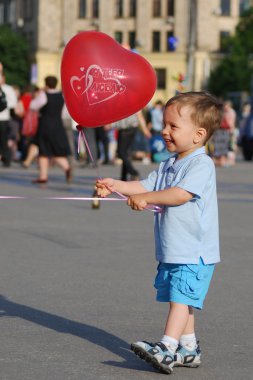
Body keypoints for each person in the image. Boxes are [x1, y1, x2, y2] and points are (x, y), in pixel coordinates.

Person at [96, 92, 222, 375]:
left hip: (194, 250)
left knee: (180, 299)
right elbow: (144, 184)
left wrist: (149, 198)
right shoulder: (170, 163)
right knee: (182, 297)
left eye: (173, 126)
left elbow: (179, 194)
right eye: (164, 124)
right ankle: (188, 349)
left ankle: (167, 347)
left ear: (198, 134)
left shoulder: (201, 164)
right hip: (175, 247)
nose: (163, 131)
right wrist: (115, 184)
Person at [30, 76, 72, 184]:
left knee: (43, 151)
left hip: (45, 125)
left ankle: (43, 176)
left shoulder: (44, 95)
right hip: (58, 125)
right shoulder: (61, 96)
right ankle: (66, 167)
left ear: (46, 84)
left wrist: (39, 94)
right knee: (57, 151)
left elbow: (33, 106)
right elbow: (65, 112)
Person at [113, 111, 151, 181]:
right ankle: (123, 177)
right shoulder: (132, 102)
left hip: (124, 129)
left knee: (121, 153)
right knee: (125, 153)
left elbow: (139, 115)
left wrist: (145, 129)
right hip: (132, 128)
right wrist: (145, 129)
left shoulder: (121, 101)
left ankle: (134, 172)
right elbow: (140, 115)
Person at [0, 63, 17, 167]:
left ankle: (6, 158)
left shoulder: (8, 89)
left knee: (3, 139)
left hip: (4, 118)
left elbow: (13, 102)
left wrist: (4, 105)